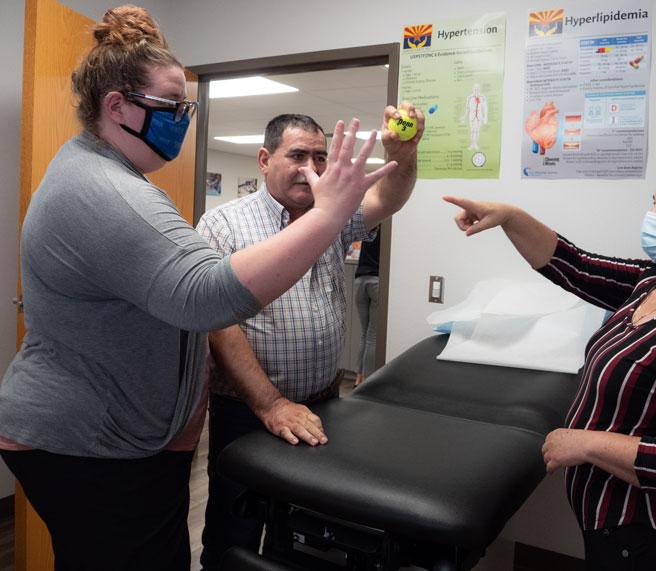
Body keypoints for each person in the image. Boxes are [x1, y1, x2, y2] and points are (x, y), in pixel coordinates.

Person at [0, 6, 395, 571]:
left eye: (187, 107)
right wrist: (328, 217)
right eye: (172, 107)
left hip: (123, 440)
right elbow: (208, 298)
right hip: (89, 443)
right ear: (117, 107)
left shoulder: (113, 177)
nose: (183, 120)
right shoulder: (104, 190)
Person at [444, 153, 656, 570]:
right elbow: (573, 265)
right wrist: (509, 217)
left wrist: (585, 442)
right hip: (610, 525)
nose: (652, 214)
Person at [196, 108, 423, 568]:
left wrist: (404, 154)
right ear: (264, 160)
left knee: (305, 528)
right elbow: (219, 324)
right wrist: (270, 404)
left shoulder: (333, 216)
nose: (311, 169)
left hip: (321, 406)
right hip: (248, 409)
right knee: (233, 526)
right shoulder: (223, 226)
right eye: (297, 155)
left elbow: (390, 197)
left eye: (320, 157)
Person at [354, 225, 381, 386]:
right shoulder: (389, 232)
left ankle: (358, 377)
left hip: (359, 281)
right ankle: (367, 380)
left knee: (364, 334)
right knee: (372, 336)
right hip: (376, 282)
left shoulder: (369, 227)